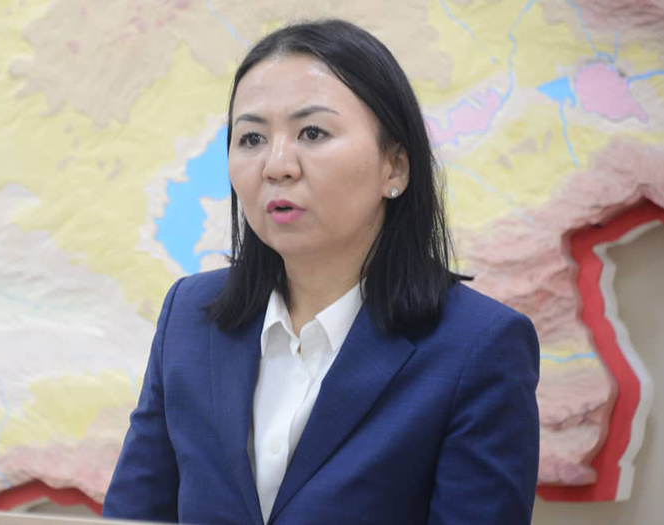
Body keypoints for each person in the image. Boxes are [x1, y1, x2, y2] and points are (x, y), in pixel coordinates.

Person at [103, 19, 539, 525]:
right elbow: (134, 513)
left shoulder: (481, 347)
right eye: (251, 138)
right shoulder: (189, 316)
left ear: (395, 167)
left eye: (312, 133)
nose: (277, 165)